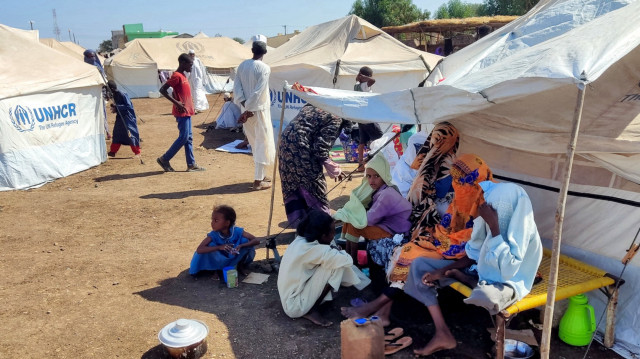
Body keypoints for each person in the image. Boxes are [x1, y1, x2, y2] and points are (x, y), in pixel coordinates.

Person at [341, 153, 488, 328]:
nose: (457, 184)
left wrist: (443, 242)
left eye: (462, 180)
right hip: (443, 244)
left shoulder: (486, 205)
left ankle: (377, 307)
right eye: (455, 180)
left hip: (461, 254)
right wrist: (436, 237)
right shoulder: (461, 199)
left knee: (409, 257)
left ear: (477, 179)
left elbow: (474, 243)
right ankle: (384, 312)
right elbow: (447, 227)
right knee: (403, 250)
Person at [403, 180, 541, 356]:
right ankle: (442, 332)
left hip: (507, 281)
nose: (496, 213)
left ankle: (466, 279)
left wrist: (495, 227)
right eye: (494, 209)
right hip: (480, 271)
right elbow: (473, 253)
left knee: (487, 296)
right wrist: (441, 271)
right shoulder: (488, 219)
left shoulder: (524, 233)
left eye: (500, 209)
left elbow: (507, 270)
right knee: (419, 265)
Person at [277, 210, 370, 327]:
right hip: (295, 307)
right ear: (322, 235)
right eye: (332, 232)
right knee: (337, 264)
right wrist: (338, 250)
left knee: (334, 259)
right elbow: (347, 260)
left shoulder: (300, 241)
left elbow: (331, 251)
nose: (333, 236)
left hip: (290, 299)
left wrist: (335, 250)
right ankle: (311, 310)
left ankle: (319, 300)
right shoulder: (316, 250)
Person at [279, 104, 351, 226]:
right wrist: (334, 169)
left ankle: (301, 224)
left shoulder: (315, 105)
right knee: (313, 186)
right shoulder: (336, 118)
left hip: (285, 146)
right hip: (301, 151)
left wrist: (332, 165)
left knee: (293, 184)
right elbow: (320, 148)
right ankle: (322, 225)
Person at [334, 154, 412, 265]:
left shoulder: (386, 194)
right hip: (387, 226)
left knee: (354, 225)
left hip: (395, 231)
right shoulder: (382, 189)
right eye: (369, 176)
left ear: (384, 175)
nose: (371, 180)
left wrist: (350, 214)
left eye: (376, 176)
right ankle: (349, 257)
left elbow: (369, 220)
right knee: (351, 222)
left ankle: (352, 261)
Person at [233, 40, 275, 190]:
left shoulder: (242, 66)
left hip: (246, 110)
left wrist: (244, 107)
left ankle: (262, 175)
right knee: (262, 145)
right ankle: (258, 181)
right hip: (258, 112)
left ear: (252, 50)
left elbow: (237, 89)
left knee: (255, 143)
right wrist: (249, 110)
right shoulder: (264, 68)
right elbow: (259, 92)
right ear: (264, 53)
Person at [156, 53, 206, 172]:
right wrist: (176, 103)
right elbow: (162, 90)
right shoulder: (176, 76)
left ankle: (191, 164)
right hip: (181, 112)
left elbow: (176, 91)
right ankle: (164, 158)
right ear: (183, 63)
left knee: (188, 138)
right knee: (184, 137)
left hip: (187, 111)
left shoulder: (183, 76)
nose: (191, 67)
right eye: (190, 64)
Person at [189, 205, 259, 278]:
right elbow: (199, 250)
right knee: (211, 245)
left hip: (233, 258)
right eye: (212, 220)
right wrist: (219, 247)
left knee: (245, 241)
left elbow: (256, 240)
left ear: (227, 223)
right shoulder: (213, 235)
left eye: (216, 220)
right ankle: (215, 269)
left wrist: (241, 246)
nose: (212, 223)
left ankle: (239, 266)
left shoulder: (236, 231)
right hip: (219, 259)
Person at [353, 66, 383, 172]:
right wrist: (364, 77)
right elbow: (373, 81)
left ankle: (361, 165)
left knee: (362, 142)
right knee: (381, 140)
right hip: (369, 118)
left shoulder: (356, 85)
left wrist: (359, 78)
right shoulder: (364, 85)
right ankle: (379, 163)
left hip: (361, 119)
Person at [106, 81, 141, 159]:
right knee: (117, 133)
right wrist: (115, 108)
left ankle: (137, 152)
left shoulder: (122, 94)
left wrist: (117, 106)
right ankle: (113, 152)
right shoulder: (113, 95)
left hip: (128, 117)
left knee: (130, 134)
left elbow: (128, 106)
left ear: (111, 88)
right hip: (120, 117)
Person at [83, 49, 111, 140]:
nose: (92, 58)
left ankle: (107, 132)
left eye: (93, 56)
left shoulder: (99, 68)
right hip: (89, 96)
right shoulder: (84, 69)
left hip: (100, 95)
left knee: (102, 113)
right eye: (90, 57)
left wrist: (107, 93)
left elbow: (104, 82)